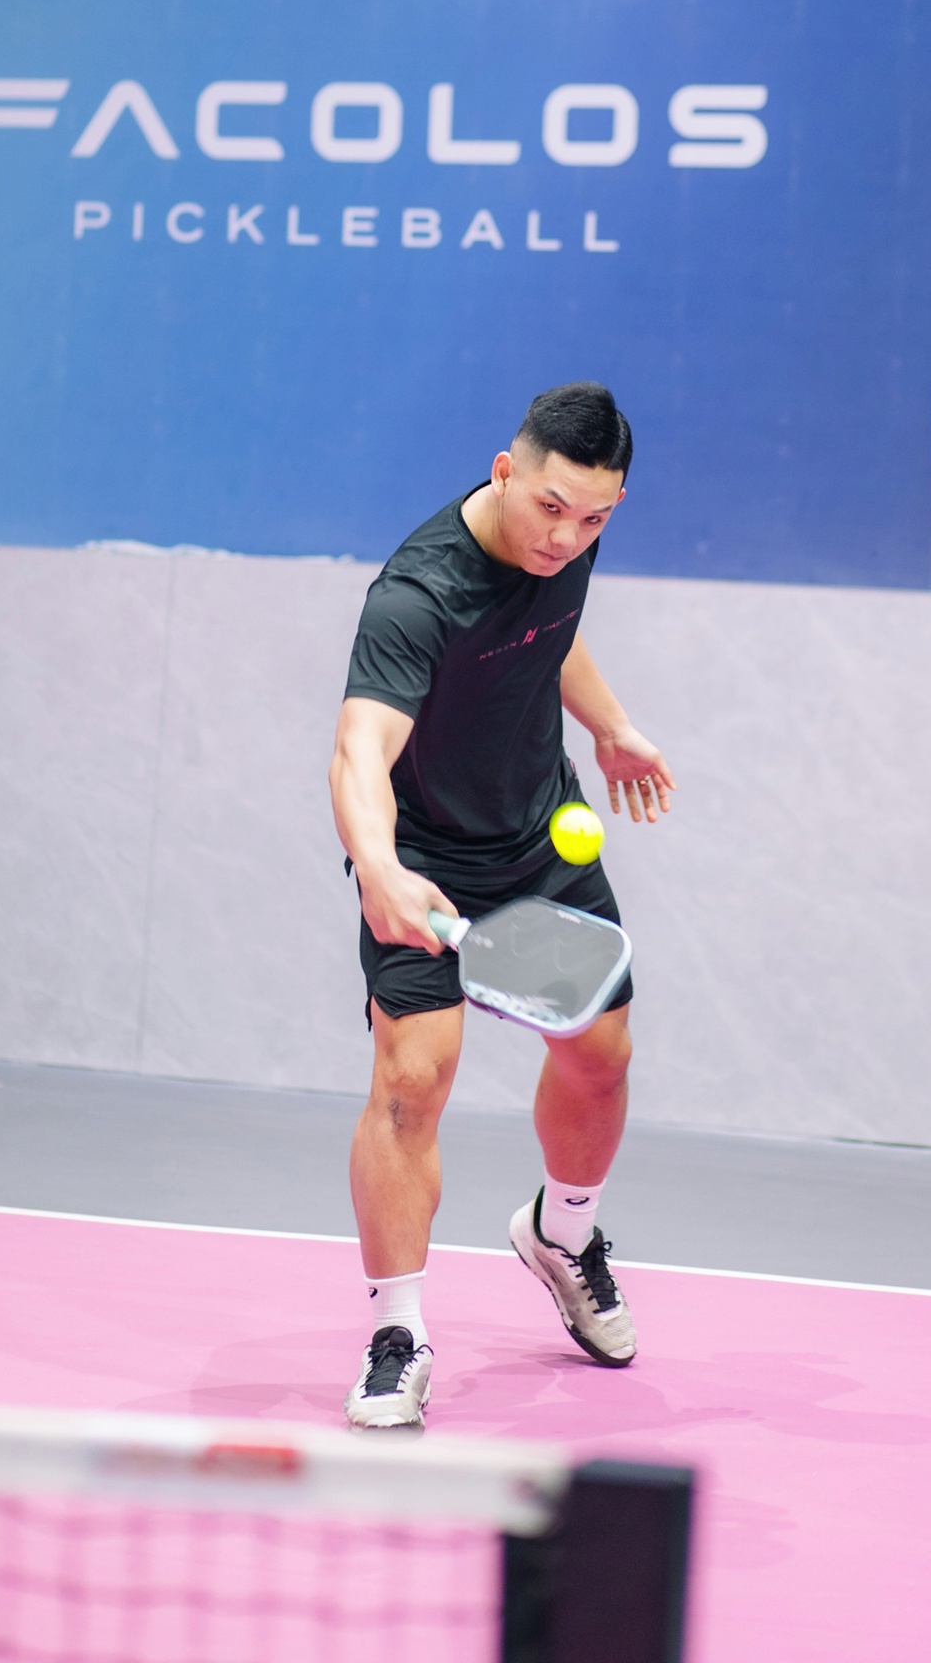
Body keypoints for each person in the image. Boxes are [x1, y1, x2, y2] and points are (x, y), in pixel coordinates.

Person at [329, 383, 674, 1431]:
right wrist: (378, 867)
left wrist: (609, 726)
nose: (566, 537)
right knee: (410, 1082)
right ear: (503, 471)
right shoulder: (416, 594)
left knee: (600, 1057)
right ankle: (397, 1335)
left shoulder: (565, 543)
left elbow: (550, 631)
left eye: (595, 519)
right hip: (424, 858)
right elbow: (358, 748)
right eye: (551, 508)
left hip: (536, 843)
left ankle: (563, 1234)